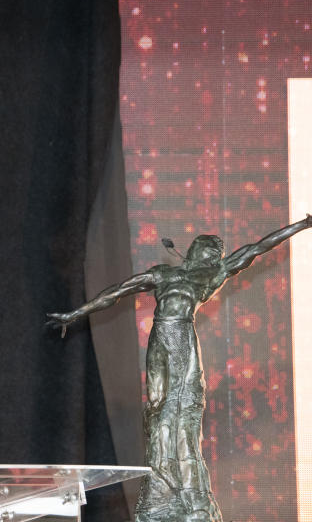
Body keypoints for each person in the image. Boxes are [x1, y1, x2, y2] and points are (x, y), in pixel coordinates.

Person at [47, 215, 312, 522]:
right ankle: (161, 484)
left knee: (184, 410)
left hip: (183, 338)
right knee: (158, 409)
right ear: (196, 250)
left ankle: (190, 494)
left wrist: (301, 226)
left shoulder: (212, 276)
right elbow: (117, 291)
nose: (214, 254)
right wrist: (74, 314)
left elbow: (257, 248)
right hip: (161, 337)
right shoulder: (163, 274)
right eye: (209, 248)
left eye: (217, 251)